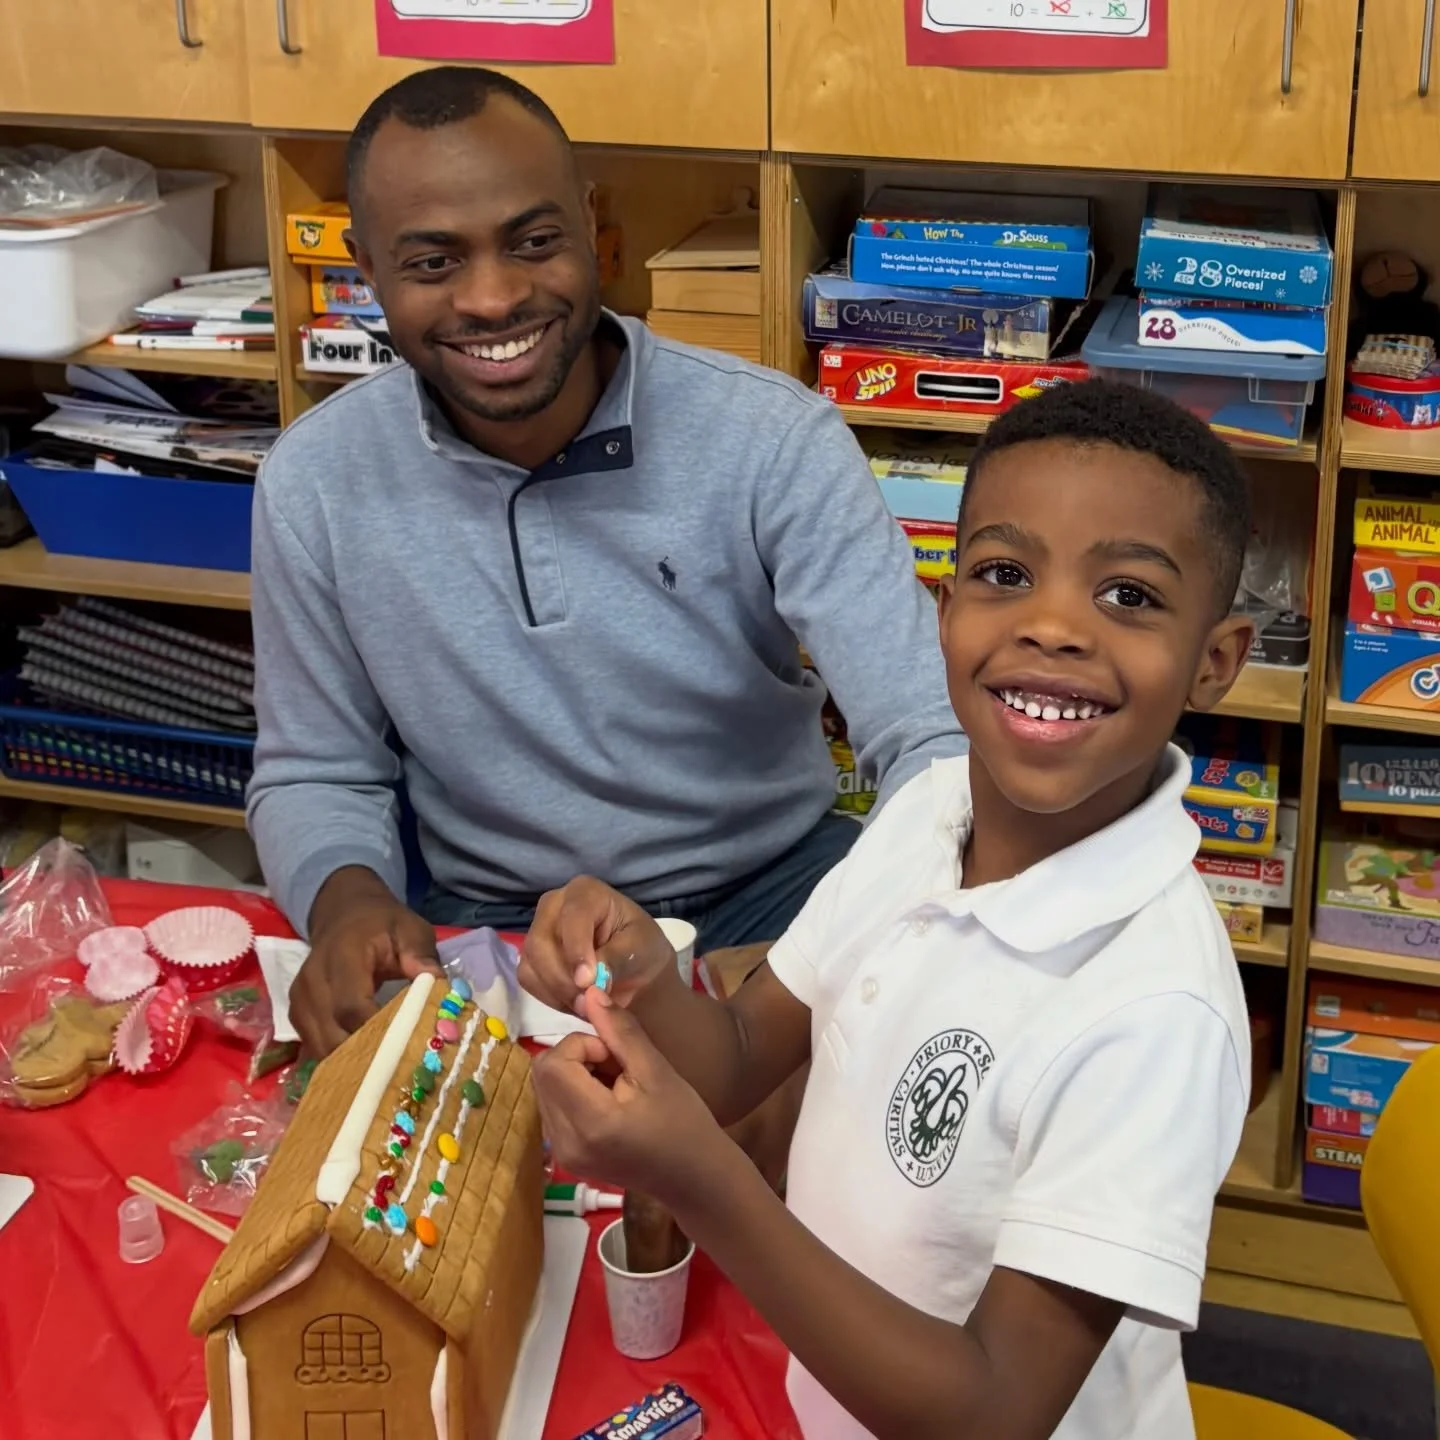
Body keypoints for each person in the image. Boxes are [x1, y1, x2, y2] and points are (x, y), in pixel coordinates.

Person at [521, 379, 1256, 1440]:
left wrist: (700, 1176)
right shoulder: (923, 814)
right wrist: (637, 971)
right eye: (1006, 575)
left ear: (1215, 661)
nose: (1052, 626)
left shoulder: (1155, 1010)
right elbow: (733, 1049)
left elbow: (996, 1411)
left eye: (1129, 597)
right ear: (945, 612)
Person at [247, 65, 963, 1058]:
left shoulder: (773, 438)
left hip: (775, 901)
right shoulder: (311, 484)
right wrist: (348, 902)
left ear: (597, 228)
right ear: (367, 271)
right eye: (431, 263)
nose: (493, 297)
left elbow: (932, 738)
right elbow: (315, 770)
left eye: (534, 242)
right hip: (495, 924)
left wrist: (821, 954)